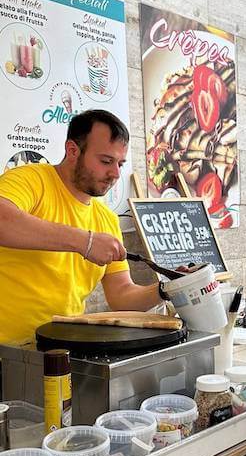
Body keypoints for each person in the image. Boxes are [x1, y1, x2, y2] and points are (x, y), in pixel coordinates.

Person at [0, 109, 172, 345]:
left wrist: (167, 289)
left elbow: (121, 296)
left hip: (62, 350)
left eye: (120, 164)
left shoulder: (106, 220)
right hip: (7, 353)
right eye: (105, 161)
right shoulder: (32, 179)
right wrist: (85, 242)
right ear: (73, 151)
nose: (115, 174)